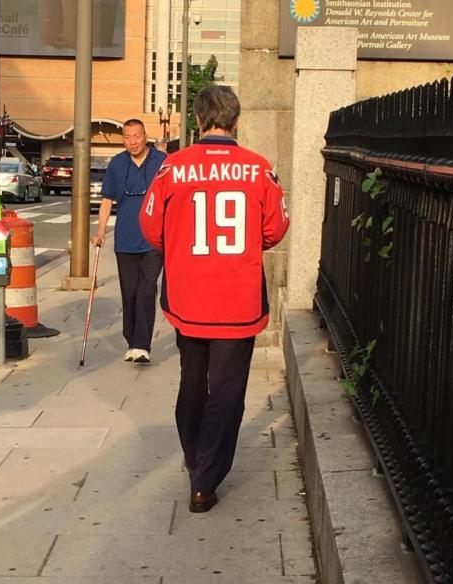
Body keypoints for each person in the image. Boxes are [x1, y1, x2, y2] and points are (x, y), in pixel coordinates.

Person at [140, 86, 290, 512]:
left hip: (188, 296)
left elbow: (150, 228)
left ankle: (193, 456)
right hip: (238, 298)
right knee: (227, 390)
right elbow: (275, 229)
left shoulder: (172, 168)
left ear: (199, 120)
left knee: (192, 381)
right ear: (236, 120)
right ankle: (205, 479)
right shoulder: (260, 170)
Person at [92, 119, 166, 363]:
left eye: (137, 136)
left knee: (147, 290)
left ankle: (141, 345)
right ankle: (131, 339)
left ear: (145, 136)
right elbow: (106, 200)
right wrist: (101, 231)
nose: (132, 141)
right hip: (125, 239)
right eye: (127, 137)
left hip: (153, 240)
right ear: (123, 139)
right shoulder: (117, 164)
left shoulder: (161, 162)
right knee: (130, 292)